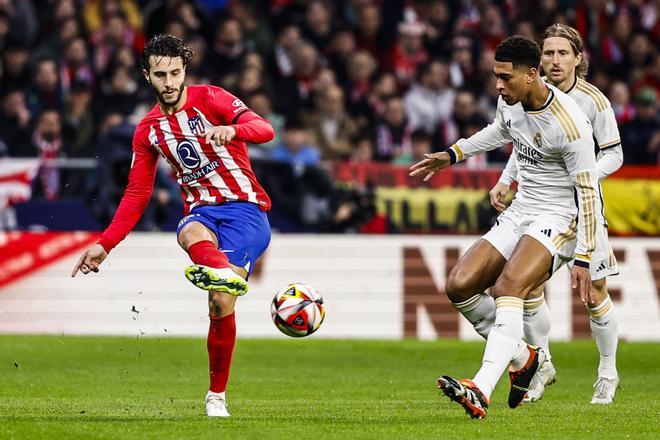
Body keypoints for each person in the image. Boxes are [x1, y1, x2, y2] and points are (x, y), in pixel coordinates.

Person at [71, 34, 275, 418]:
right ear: (147, 76)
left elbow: (265, 129)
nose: (170, 82)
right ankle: (216, 271)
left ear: (185, 71)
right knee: (189, 234)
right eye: (161, 74)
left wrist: (235, 130)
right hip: (202, 213)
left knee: (217, 301)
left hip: (246, 210)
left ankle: (217, 389)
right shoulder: (147, 131)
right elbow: (136, 195)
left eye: (176, 73)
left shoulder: (212, 98)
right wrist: (105, 244)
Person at [410, 35, 599, 419]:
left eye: (506, 78)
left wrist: (584, 257)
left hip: (559, 218)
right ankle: (526, 357)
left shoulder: (572, 124)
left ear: (532, 75)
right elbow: (499, 131)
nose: (498, 84)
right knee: (459, 285)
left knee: (508, 287)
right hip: (521, 211)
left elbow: (589, 193)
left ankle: (481, 386)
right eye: (496, 76)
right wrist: (452, 154)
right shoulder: (509, 102)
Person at [489, 24, 623, 404]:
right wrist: (506, 180)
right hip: (539, 206)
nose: (555, 60)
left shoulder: (593, 101)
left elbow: (614, 152)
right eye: (548, 53)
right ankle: (541, 365)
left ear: (578, 59)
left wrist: (583, 175)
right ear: (538, 61)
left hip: (582, 206)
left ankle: (607, 371)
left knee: (594, 291)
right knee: (526, 287)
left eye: (563, 53)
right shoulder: (526, 95)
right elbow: (522, 144)